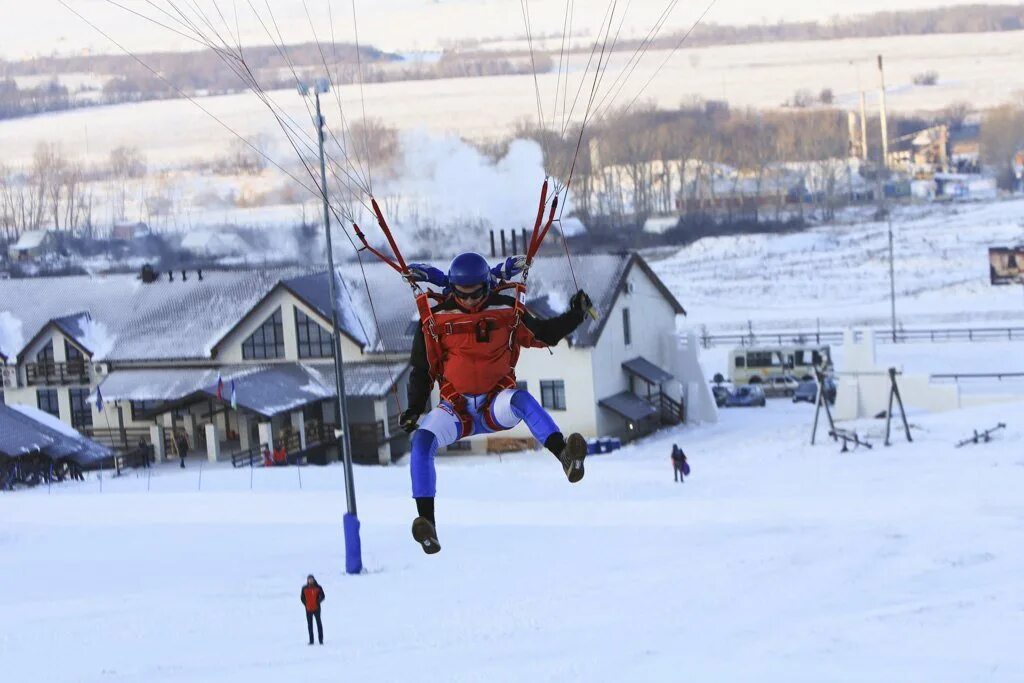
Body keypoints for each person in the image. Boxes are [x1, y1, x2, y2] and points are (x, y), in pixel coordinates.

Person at [400, 252, 592, 555]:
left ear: (487, 285)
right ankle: (428, 524)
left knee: (523, 399)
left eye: (476, 294)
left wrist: (576, 315)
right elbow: (421, 371)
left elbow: (546, 334)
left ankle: (565, 455)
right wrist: (413, 409)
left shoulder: (507, 312)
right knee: (422, 441)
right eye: (462, 295)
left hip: (495, 403)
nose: (470, 302)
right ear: (453, 289)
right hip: (456, 408)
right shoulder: (435, 318)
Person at [300, 574, 325, 645]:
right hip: (308, 609)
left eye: (311, 579)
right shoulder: (304, 588)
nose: (310, 580)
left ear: (314, 580)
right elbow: (302, 598)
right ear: (307, 580)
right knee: (310, 625)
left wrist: (318, 601)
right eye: (309, 579)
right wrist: (306, 604)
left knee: (319, 624)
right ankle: (311, 640)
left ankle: (321, 640)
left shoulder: (318, 587)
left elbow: (323, 596)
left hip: (316, 608)